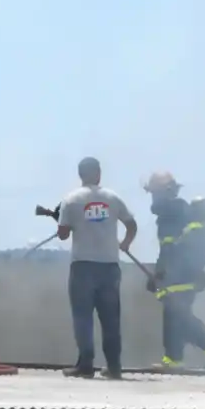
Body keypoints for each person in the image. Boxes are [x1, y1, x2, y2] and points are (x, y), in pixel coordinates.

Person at [55, 157, 138, 379]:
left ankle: (85, 366)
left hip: (83, 266)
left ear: (80, 174)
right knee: (111, 318)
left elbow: (62, 234)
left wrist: (68, 224)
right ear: (98, 173)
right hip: (110, 266)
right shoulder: (113, 198)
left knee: (83, 317)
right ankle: (114, 367)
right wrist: (126, 243)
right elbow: (131, 224)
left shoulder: (70, 200)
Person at [141, 170, 205, 370]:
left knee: (176, 318)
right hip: (183, 273)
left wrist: (160, 273)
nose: (153, 198)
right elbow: (171, 247)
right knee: (178, 317)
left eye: (155, 192)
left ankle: (189, 354)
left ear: (166, 192)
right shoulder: (176, 211)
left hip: (180, 275)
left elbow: (172, 248)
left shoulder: (173, 211)